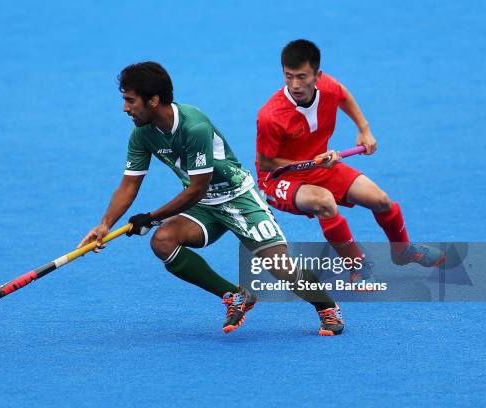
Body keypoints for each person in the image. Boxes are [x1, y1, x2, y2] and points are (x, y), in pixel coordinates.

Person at [80, 61, 345, 336]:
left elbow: (196, 187)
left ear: (154, 100)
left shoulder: (194, 127)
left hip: (237, 197)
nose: (125, 108)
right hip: (202, 206)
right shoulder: (142, 134)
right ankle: (234, 295)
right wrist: (105, 224)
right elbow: (129, 184)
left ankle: (326, 307)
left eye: (130, 100)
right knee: (163, 241)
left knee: (279, 266)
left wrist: (151, 217)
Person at [256, 39, 444, 284]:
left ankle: (402, 250)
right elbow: (267, 163)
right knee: (323, 202)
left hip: (320, 165)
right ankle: (357, 265)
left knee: (381, 201)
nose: (295, 85)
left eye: (302, 77)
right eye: (288, 77)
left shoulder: (328, 87)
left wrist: (364, 129)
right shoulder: (271, 116)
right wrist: (312, 164)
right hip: (278, 179)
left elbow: (342, 94)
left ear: (317, 76)